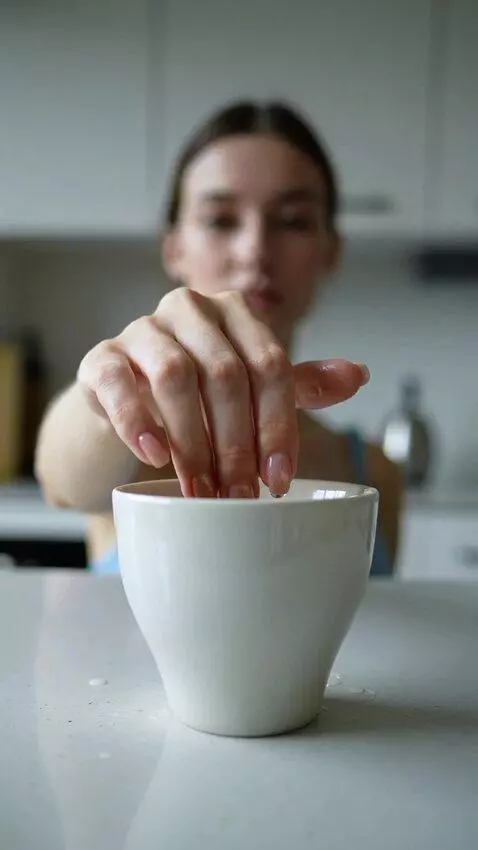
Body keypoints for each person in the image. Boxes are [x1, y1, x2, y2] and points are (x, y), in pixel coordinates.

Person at [34, 99, 403, 576]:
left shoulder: (376, 474)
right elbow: (61, 483)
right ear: (174, 248)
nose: (255, 251)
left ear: (330, 251)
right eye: (220, 220)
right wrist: (107, 401)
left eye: (292, 221)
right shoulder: (132, 450)